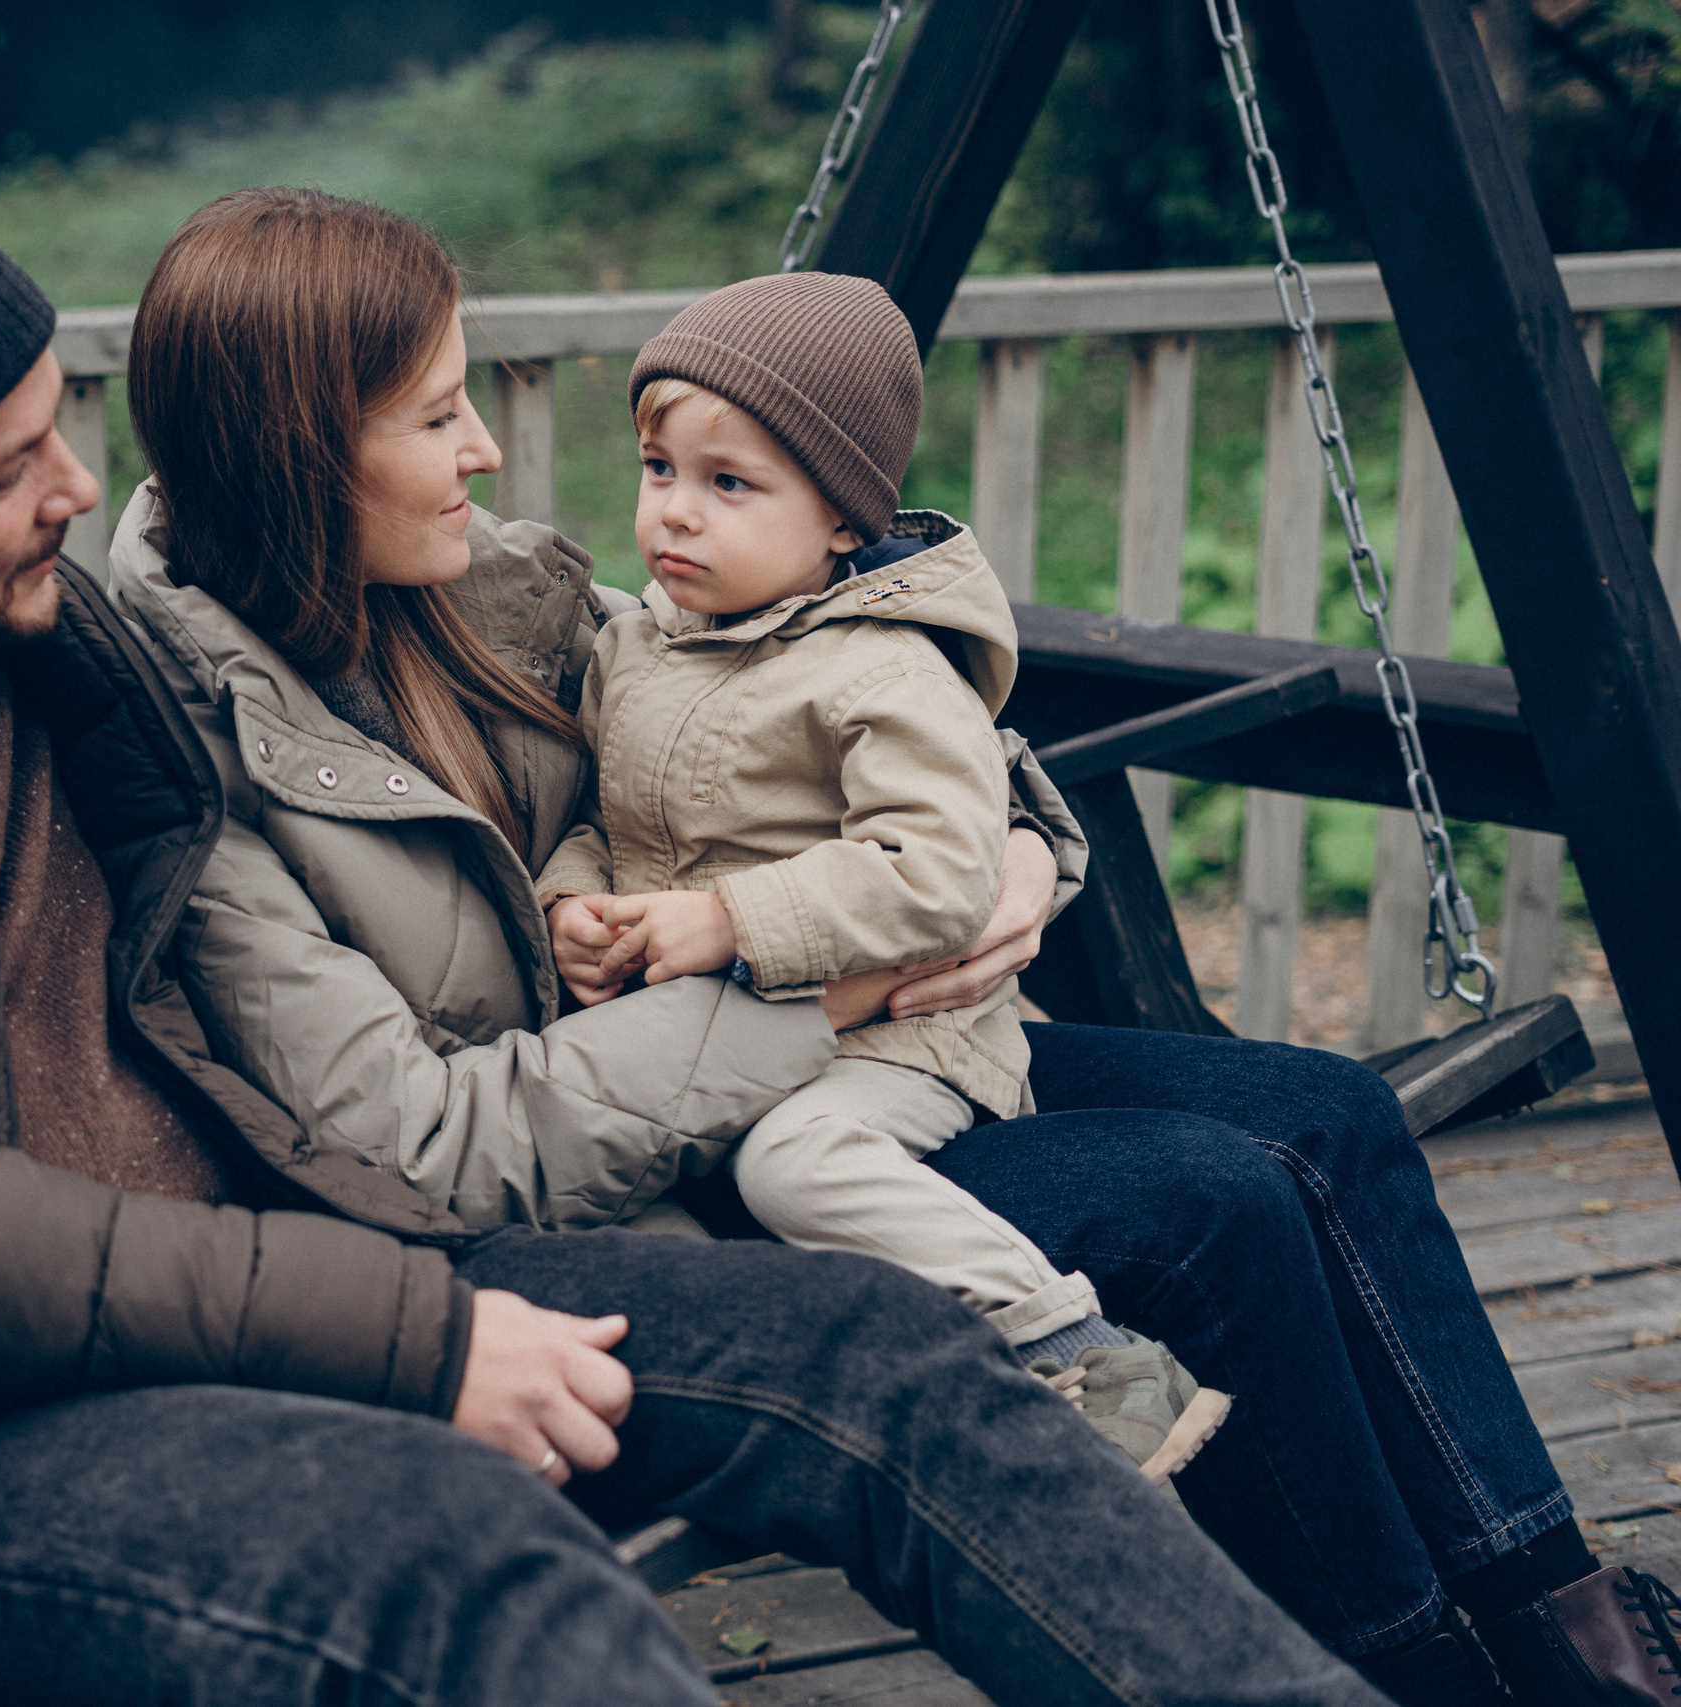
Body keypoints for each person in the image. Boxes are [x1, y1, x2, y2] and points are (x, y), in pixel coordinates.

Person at [0, 193, 1384, 1707]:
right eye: (4, 466)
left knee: (873, 1345)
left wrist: (1003, 837)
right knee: (444, 1546)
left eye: (61, 431)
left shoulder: (22, 630)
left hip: (278, 1262)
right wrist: (419, 1332)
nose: (78, 491)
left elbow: (763, 684)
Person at [106, 185, 1681, 1707]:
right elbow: (428, 1144)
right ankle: (1409, 1668)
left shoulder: (483, 595)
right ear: (307, 451)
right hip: (672, 1155)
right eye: (438, 413)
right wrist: (821, 978)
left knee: (1321, 1110)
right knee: (1218, 1207)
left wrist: (1015, 850)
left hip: (790, 1026)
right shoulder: (205, 763)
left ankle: (1573, 1637)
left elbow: (784, 705)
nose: (489, 446)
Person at [528, 270, 1227, 1486]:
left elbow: (941, 873)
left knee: (790, 1165)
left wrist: (727, 918)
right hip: (714, 1031)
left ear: (842, 521)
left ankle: (1076, 1349)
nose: (675, 515)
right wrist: (572, 899)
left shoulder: (885, 672)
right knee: (610, 1204)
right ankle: (759, 1412)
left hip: (897, 1045)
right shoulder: (635, 647)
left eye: (728, 484)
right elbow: (606, 813)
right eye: (660, 472)